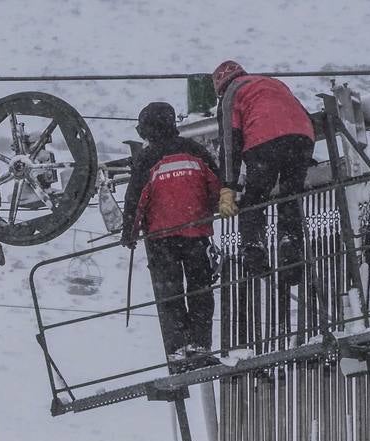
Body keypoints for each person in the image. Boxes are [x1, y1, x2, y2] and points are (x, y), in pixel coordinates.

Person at [121, 101, 233, 367]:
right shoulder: (195, 150)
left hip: (162, 238)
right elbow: (216, 187)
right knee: (200, 291)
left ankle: (178, 349)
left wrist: (129, 232)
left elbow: (135, 198)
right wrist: (214, 206)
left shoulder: (147, 158)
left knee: (170, 294)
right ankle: (200, 346)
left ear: (147, 129)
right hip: (197, 234)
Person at [212, 60, 316, 282]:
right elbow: (299, 113)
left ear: (219, 88)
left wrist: (227, 187)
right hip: (302, 137)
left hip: (264, 141)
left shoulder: (231, 93)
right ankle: (290, 249)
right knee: (290, 195)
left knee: (254, 198)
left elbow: (230, 144)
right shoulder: (272, 82)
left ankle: (254, 250)